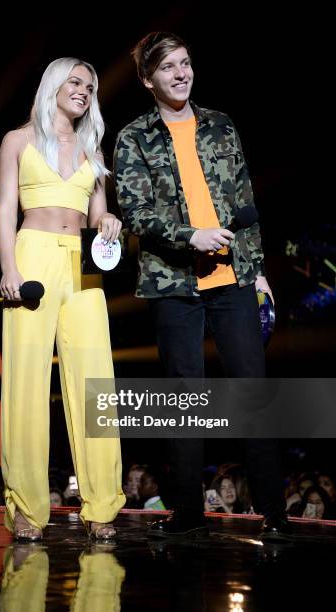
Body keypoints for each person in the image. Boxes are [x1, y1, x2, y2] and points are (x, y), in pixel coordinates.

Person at [113, 32, 291, 540]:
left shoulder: (220, 124)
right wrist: (191, 235)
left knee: (251, 393)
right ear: (149, 79)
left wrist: (256, 269)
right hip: (172, 283)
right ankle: (188, 509)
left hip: (233, 278)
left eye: (186, 63)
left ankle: (274, 512)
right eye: (168, 67)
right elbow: (136, 212)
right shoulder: (134, 137)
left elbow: (245, 201)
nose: (181, 73)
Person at [0, 57, 126, 541]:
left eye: (89, 86)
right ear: (52, 84)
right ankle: (28, 507)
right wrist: (10, 267)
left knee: (96, 383)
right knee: (27, 381)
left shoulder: (93, 147)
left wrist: (108, 221)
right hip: (32, 256)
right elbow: (6, 208)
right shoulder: (18, 140)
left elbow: (98, 216)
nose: (84, 90)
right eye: (74, 82)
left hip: (83, 265)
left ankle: (102, 507)